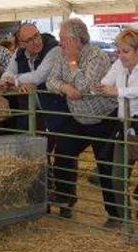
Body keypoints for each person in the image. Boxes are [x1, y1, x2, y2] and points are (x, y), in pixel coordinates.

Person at [46, 18, 118, 221]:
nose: (61, 43)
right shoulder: (61, 54)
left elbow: (86, 87)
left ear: (77, 39)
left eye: (64, 39)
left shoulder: (97, 56)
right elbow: (51, 81)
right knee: (63, 151)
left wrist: (72, 63)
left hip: (103, 119)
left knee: (106, 165)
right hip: (79, 118)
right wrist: (65, 87)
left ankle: (116, 214)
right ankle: (65, 199)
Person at [96, 28, 138, 241]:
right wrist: (101, 87)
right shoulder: (119, 65)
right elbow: (106, 81)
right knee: (117, 177)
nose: (120, 55)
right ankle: (126, 219)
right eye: (118, 51)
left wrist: (120, 92)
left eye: (125, 51)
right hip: (124, 128)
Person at [0, 23, 68, 168]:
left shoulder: (54, 49)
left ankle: (63, 189)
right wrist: (4, 81)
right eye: (29, 40)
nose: (36, 41)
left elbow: (39, 76)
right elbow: (9, 71)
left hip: (56, 110)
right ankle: (45, 185)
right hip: (31, 112)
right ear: (22, 44)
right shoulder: (19, 53)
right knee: (34, 153)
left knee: (64, 154)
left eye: (37, 35)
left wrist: (14, 81)